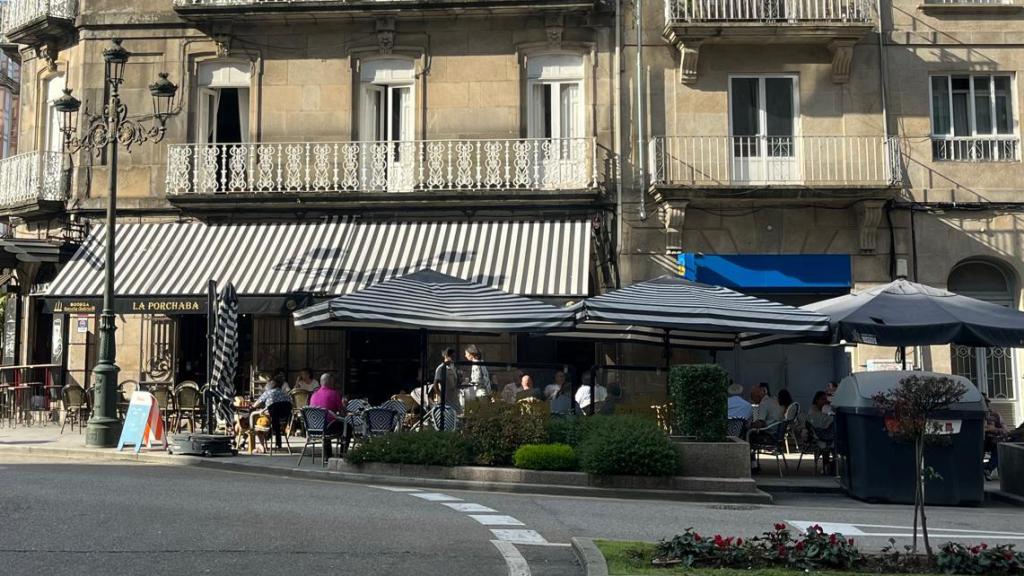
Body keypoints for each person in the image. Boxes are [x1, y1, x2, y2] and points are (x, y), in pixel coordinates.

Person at [309, 372, 348, 460]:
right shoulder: (334, 393)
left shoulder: (313, 395)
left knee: (326, 422)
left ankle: (328, 456)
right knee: (348, 427)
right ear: (330, 382)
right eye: (333, 381)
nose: (334, 383)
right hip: (328, 428)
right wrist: (344, 405)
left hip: (313, 428)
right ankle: (343, 455)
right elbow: (342, 413)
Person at [249, 377, 292, 453]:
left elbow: (255, 405)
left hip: (271, 421)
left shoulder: (268, 393)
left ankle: (262, 446)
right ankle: (267, 445)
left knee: (258, 421)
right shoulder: (285, 394)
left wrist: (255, 407)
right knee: (264, 416)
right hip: (283, 422)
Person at [983, 394, 1008, 480]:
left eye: (986, 402)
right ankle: (981, 469)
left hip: (992, 440)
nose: (985, 405)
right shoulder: (972, 414)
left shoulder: (995, 415)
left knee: (998, 446)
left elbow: (1005, 430)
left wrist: (994, 429)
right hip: (978, 440)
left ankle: (988, 468)